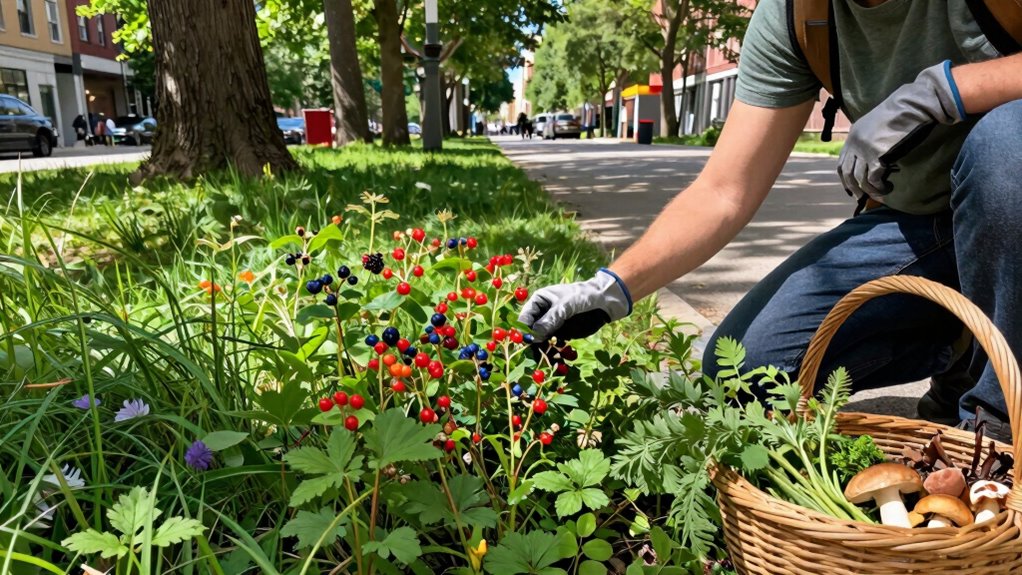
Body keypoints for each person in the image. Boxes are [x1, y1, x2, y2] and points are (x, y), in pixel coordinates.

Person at [519, 0, 1022, 441]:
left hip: (1011, 200)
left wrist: (950, 88)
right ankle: (965, 345)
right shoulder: (798, 14)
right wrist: (613, 287)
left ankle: (997, 427)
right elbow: (724, 191)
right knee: (744, 373)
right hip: (924, 228)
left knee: (1006, 146)